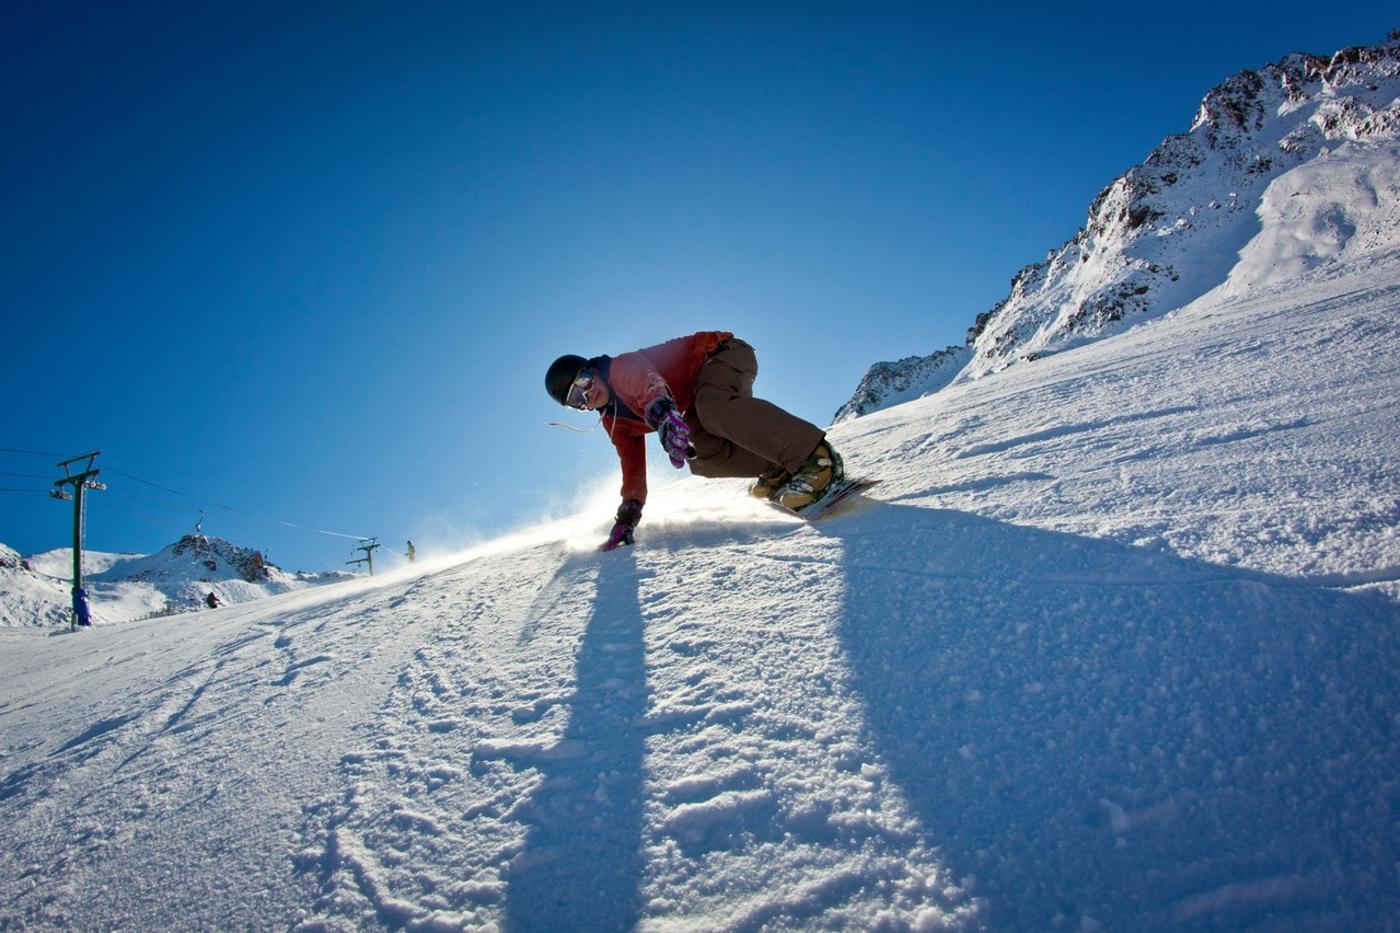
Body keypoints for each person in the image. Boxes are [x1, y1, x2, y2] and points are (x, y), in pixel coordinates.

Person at [546, 331, 843, 550]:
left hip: (721, 354)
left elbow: (646, 381)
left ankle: (816, 458)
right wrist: (629, 514)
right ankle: (778, 469)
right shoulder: (615, 421)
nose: (586, 395)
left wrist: (660, 411)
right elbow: (632, 466)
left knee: (711, 408)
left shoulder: (620, 368)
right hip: (696, 397)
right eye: (576, 399)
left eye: (583, 382)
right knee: (698, 454)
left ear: (592, 370)